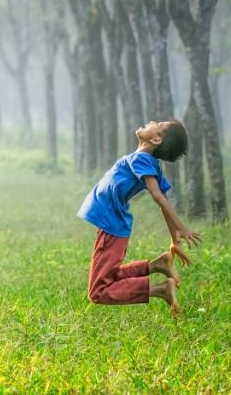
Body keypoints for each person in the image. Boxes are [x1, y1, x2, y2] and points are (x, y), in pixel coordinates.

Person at [77, 120, 202, 317]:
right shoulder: (146, 161)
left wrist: (181, 227)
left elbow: (158, 195)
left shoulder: (142, 159)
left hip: (112, 226)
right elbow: (164, 198)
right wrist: (173, 238)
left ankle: (160, 290)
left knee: (98, 292)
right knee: (109, 277)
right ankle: (156, 265)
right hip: (112, 225)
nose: (152, 121)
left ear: (155, 139)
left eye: (158, 124)